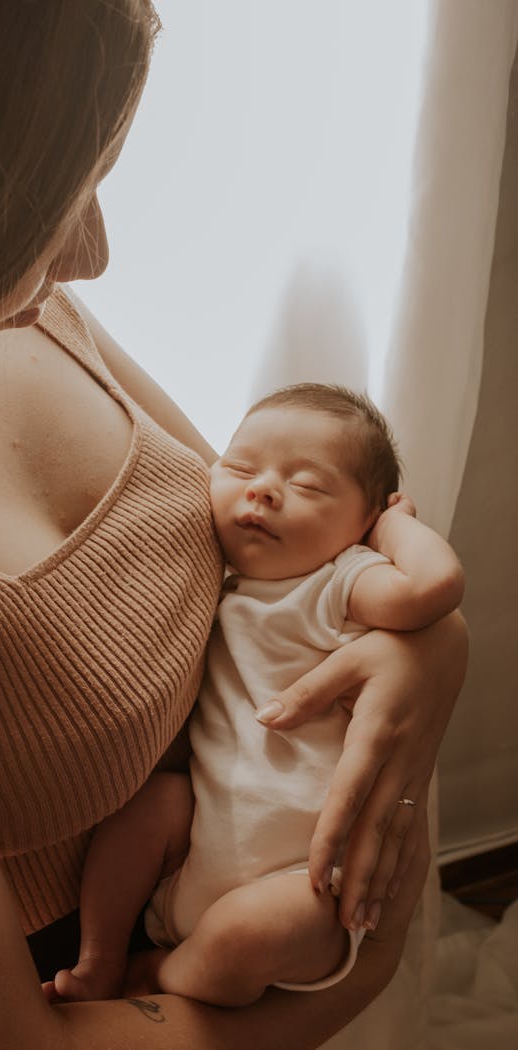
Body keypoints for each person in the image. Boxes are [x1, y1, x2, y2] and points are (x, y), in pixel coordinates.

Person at [0, 4, 467, 1048]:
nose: (91, 254)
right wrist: (352, 964)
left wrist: (428, 651)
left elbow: (269, 551)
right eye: (36, 198)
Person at [52, 384, 465, 1007]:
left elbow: (433, 586)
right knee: (152, 804)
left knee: (244, 934)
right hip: (194, 860)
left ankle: (158, 975)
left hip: (303, 889)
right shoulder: (219, 584)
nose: (263, 489)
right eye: (242, 467)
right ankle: (101, 956)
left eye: (307, 485)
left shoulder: (340, 581)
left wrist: (397, 529)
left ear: (363, 520)